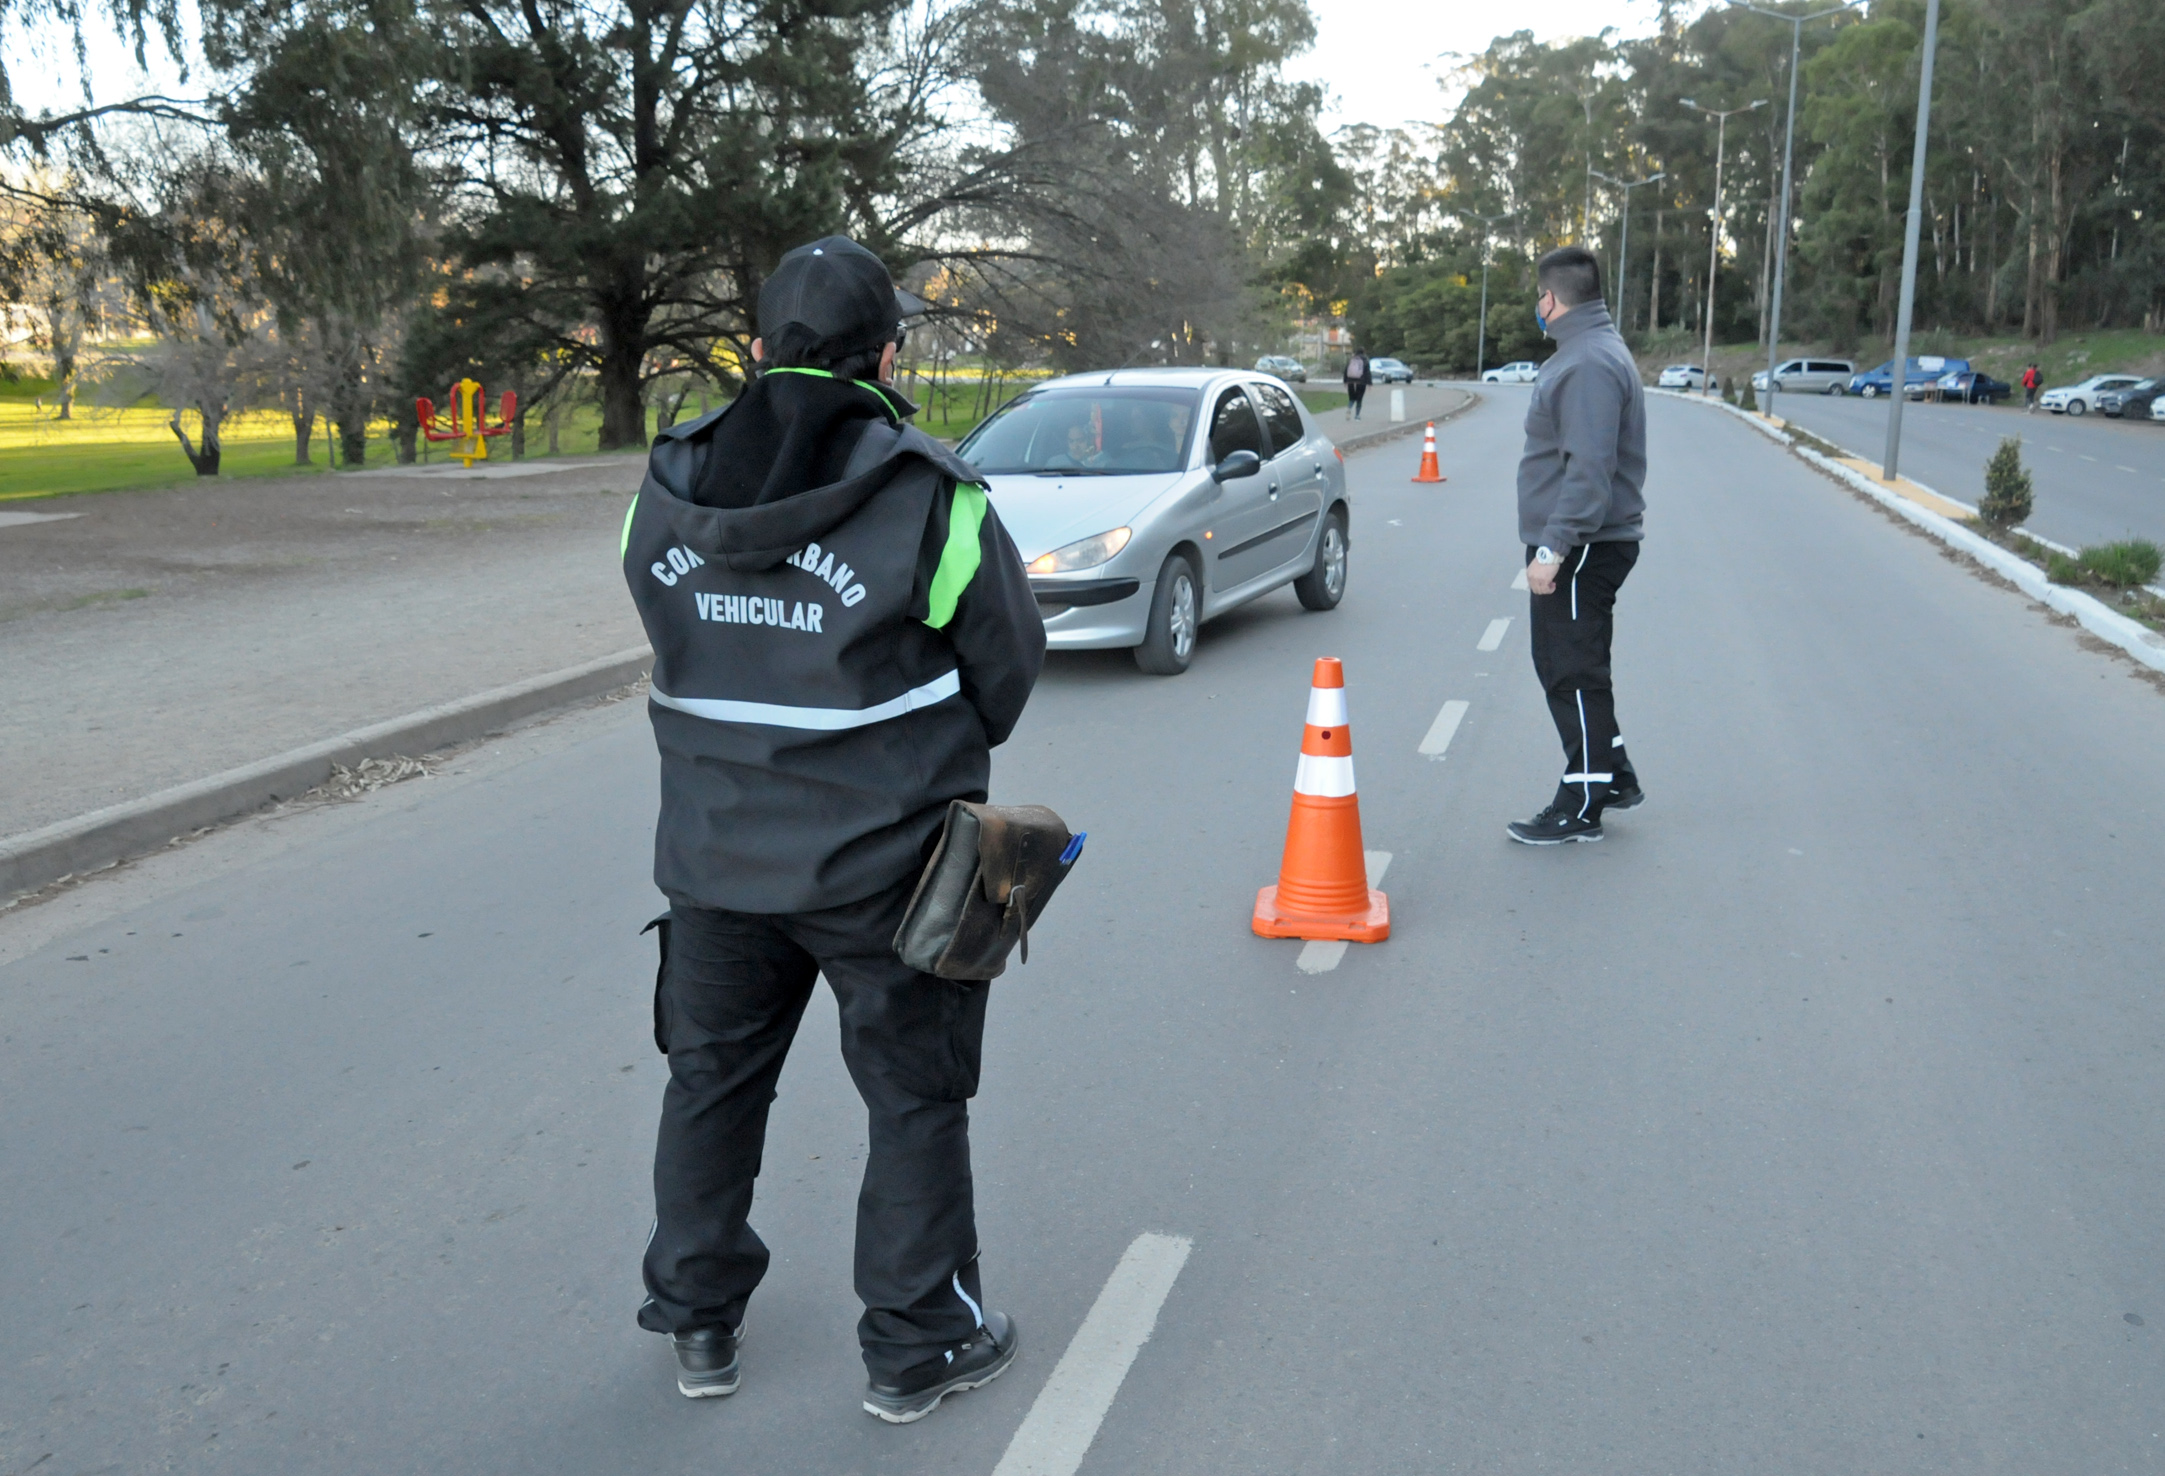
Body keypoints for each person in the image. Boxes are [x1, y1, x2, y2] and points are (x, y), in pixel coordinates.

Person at [619, 234, 1045, 1423]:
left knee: (709, 1084)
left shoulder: (666, 482)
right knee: (912, 1099)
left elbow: (665, 622)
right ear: (887, 353)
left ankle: (698, 1319)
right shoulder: (929, 496)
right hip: (886, 873)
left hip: (711, 863)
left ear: (754, 350)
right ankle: (916, 1345)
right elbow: (1004, 678)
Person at [1507, 244, 1647, 846]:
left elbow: (1588, 469)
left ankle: (1582, 801)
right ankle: (1612, 775)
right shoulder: (1589, 351)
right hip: (1588, 540)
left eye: (1539, 298)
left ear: (1551, 299)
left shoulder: (1586, 364)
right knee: (1569, 662)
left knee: (1570, 670)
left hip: (1583, 543)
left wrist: (1552, 549)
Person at [1344, 346, 1372, 420]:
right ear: (1364, 352)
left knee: (1351, 398)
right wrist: (1369, 383)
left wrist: (1345, 381)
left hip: (1351, 381)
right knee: (1359, 399)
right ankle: (1357, 416)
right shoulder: (1365, 360)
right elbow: (1367, 372)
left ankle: (1349, 409)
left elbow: (1346, 370)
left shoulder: (1351, 359)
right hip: (1361, 382)